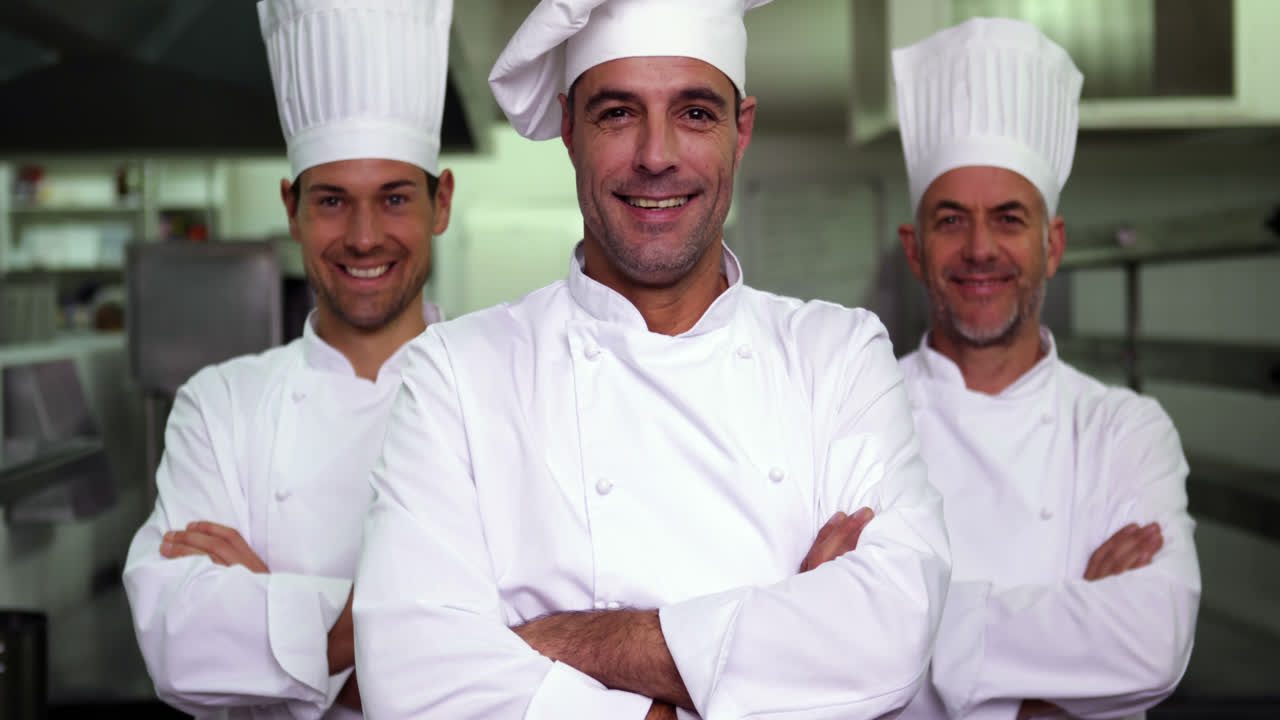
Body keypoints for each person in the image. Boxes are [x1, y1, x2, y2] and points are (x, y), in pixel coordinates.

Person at [352, 1, 952, 718]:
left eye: (695, 113)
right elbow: (410, 679)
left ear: (741, 130)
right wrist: (781, 644)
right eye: (617, 113)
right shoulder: (455, 373)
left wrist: (566, 643)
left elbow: (892, 633)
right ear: (570, 130)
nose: (657, 155)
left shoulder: (838, 354)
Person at [122, 1, 455, 717]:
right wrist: (426, 635)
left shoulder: (500, 389)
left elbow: (534, 653)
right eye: (332, 201)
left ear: (442, 203)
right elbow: (178, 644)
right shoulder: (220, 405)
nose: (363, 237)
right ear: (291, 207)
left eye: (394, 199)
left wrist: (269, 613)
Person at [891, 18, 1201, 720]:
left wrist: (905, 627)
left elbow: (1154, 642)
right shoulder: (857, 415)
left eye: (1008, 218)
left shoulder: (1124, 429)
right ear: (914, 248)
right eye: (950, 219)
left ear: (1052, 245)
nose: (979, 249)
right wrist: (1060, 678)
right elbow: (821, 646)